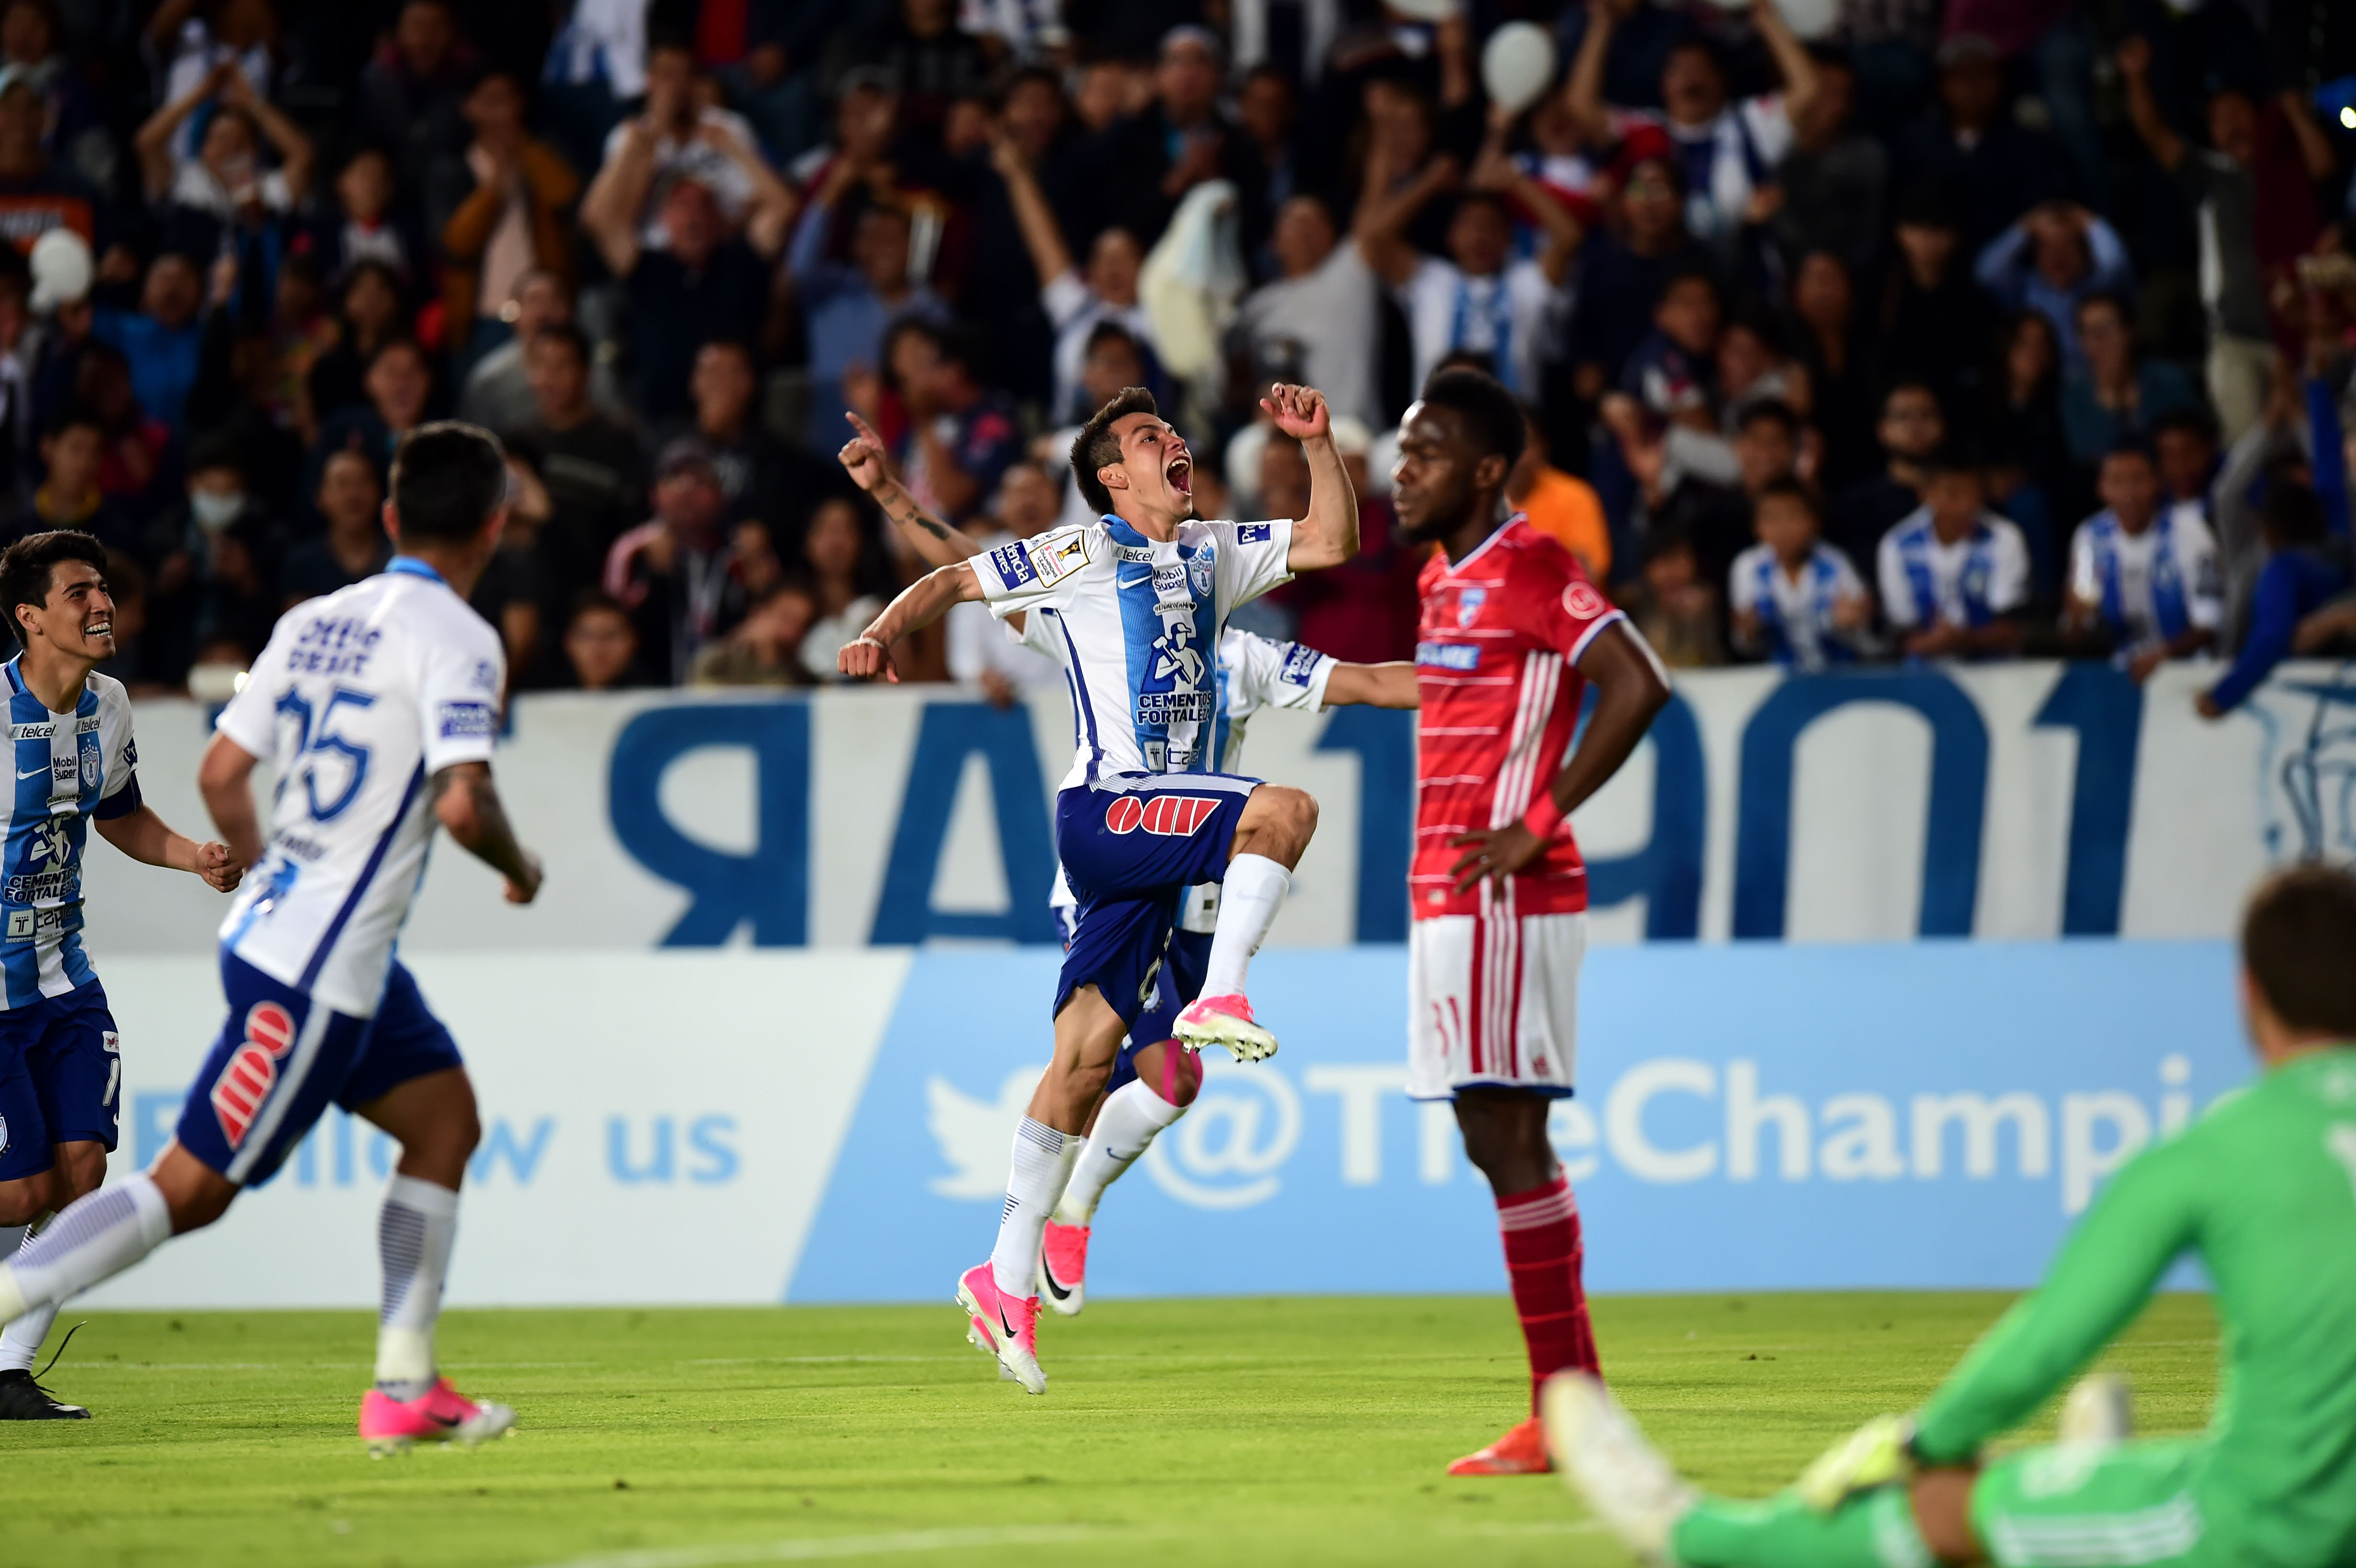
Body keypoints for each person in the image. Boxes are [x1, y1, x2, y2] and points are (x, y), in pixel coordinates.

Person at [1548, 862, 2356, 1568]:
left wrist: (1920, 1446)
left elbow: (2049, 1343)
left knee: (1945, 1504)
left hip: (2269, 1531)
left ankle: (1691, 1535)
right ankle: (2085, 1497)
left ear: (2245, 991)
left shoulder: (2212, 1151)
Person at [0, 423, 544, 1454]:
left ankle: (404, 1381)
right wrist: (523, 869)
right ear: (495, 523)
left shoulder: (313, 619)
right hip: (316, 966)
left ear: (388, 517)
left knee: (445, 1121)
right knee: (186, 1191)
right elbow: (465, 808)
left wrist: (261, 867)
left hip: (304, 940)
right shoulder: (462, 638)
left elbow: (216, 774)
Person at [835, 408, 1417, 1314]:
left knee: (1121, 1066)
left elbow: (1346, 584)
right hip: (1113, 839)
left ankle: (1045, 1231)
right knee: (1267, 835)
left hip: (1198, 875)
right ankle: (1211, 1012)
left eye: (1172, 432)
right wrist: (893, 506)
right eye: (1149, 438)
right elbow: (969, 572)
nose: (1174, 442)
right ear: (1111, 478)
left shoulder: (1241, 645)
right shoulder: (1080, 584)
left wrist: (1483, 677)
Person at [1386, 365, 1670, 1478]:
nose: (1403, 472)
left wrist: (1536, 820)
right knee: (1487, 1134)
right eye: (1403, 450)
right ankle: (1568, 1405)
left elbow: (1638, 681)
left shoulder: (1536, 564)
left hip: (1507, 892)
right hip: (1444, 893)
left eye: (1428, 453)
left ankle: (1567, 1408)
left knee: (1509, 1136)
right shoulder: (1436, 579)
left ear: (1488, 469)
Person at [0, 530, 239, 1419]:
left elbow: (121, 816)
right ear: (30, 617)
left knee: (81, 1170)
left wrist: (192, 857)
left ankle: (7, 1368)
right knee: (19, 1190)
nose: (101, 605)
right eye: (78, 593)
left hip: (65, 979)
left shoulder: (110, 705)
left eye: (103, 589)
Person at [2062, 442, 2221, 681]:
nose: (2129, 495)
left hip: (2189, 673)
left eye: (2138, 480)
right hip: (2122, 675)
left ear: (2158, 482)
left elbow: (2211, 625)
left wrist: (2163, 656)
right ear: (2102, 489)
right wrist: (2076, 620)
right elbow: (2078, 624)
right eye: (2116, 482)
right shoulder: (2090, 537)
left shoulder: (2189, 531)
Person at [1876, 452, 2030, 661]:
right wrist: (1928, 644)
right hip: (1922, 675)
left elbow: (2012, 628)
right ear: (1925, 493)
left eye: (1974, 492)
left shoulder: (2005, 538)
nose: (1966, 504)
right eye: (1953, 494)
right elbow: (1902, 631)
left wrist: (1963, 640)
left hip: (1995, 672)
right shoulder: (1897, 546)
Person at [1730, 478, 1874, 671]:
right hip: (1778, 680)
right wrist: (1748, 633)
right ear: (1757, 526)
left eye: (1793, 516)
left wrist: (1850, 625)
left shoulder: (1836, 564)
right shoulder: (1747, 567)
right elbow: (1747, 646)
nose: (1784, 528)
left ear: (1815, 521)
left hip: (1838, 676)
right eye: (1772, 518)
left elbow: (1867, 641)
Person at [280, 448, 390, 608]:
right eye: (343, 483)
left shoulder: (399, 556)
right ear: (320, 497)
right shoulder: (301, 564)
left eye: (363, 482)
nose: (354, 495)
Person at [559, 590, 644, 692]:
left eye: (611, 635)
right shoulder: (548, 698)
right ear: (568, 642)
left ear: (634, 641)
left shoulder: (655, 698)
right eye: (588, 636)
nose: (599, 646)